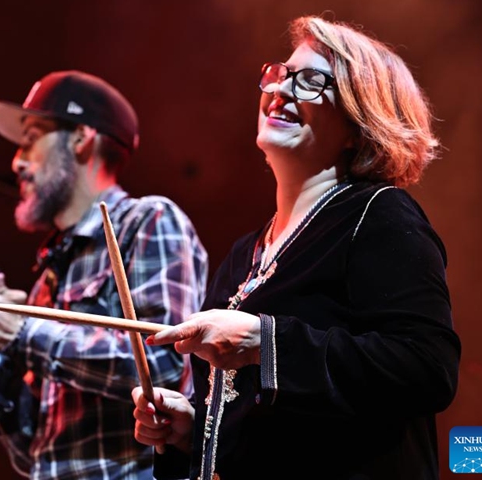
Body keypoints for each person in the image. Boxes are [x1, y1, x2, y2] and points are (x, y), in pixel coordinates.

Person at [131, 16, 461, 480]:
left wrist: (262, 342)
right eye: (279, 74)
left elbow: (427, 369)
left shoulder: (380, 214)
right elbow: (262, 424)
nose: (280, 90)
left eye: (309, 81)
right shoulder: (245, 253)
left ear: (358, 122)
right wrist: (189, 431)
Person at [0, 70, 208, 479]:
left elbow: (164, 363)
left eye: (31, 138)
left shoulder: (148, 220)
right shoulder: (46, 279)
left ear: (81, 137)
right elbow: (38, 458)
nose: (17, 161)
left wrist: (22, 334)